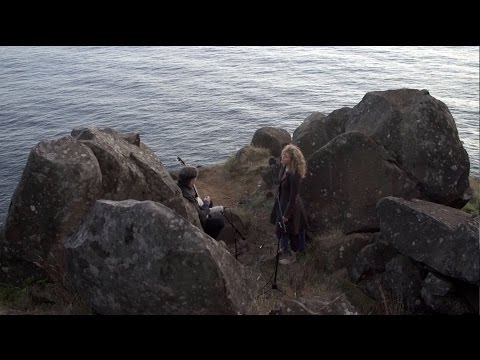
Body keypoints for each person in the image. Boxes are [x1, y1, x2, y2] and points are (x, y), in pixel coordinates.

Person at [270, 144, 308, 265]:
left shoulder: (295, 175)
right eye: (282, 155)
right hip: (283, 202)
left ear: (292, 159)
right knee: (284, 228)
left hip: (292, 206)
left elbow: (293, 197)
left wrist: (287, 214)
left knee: (294, 228)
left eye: (285, 157)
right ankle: (285, 249)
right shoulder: (285, 168)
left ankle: (295, 253)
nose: (282, 158)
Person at [177, 166, 225, 239]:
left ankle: (210, 216)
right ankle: (210, 238)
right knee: (220, 222)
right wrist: (206, 203)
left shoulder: (181, 185)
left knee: (210, 202)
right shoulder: (187, 195)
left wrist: (207, 203)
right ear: (191, 180)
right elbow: (201, 214)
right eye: (195, 178)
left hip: (198, 210)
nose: (196, 180)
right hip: (200, 220)